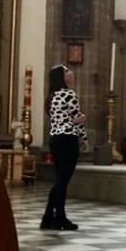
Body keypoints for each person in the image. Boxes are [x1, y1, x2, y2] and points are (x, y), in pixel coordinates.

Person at [41, 65, 87, 231]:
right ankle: (59, 217)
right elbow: (77, 119)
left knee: (60, 179)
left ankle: (48, 217)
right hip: (68, 139)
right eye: (67, 71)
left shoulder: (51, 96)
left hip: (54, 139)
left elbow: (61, 119)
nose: (71, 73)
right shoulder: (70, 94)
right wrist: (84, 137)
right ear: (61, 77)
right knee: (63, 180)